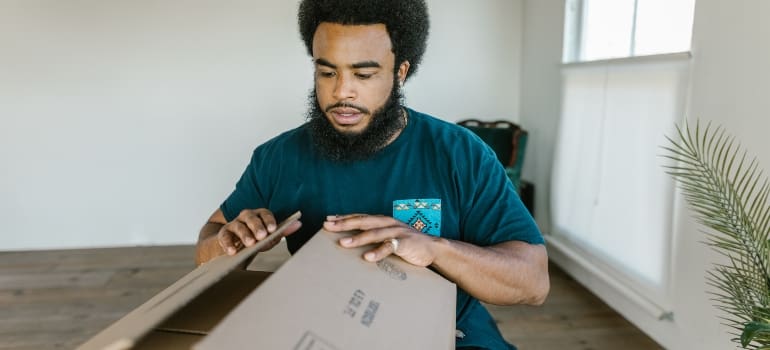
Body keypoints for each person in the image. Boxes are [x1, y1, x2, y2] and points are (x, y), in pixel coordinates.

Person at [195, 0, 549, 348]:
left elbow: (533, 281)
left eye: (363, 74)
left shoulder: (460, 154)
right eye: (327, 72)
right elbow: (208, 244)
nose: (341, 91)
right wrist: (232, 241)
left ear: (400, 72)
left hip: (450, 333)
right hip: (329, 329)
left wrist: (436, 249)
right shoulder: (278, 157)